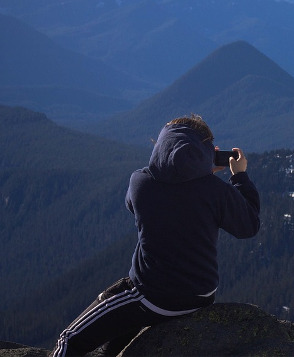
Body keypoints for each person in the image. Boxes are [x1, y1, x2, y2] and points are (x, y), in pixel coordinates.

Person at [52, 114, 261, 356]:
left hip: (151, 295)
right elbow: (250, 226)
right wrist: (239, 177)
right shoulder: (215, 191)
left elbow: (134, 204)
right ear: (206, 150)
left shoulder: (140, 182)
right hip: (200, 295)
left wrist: (190, 172)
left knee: (69, 341)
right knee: (116, 342)